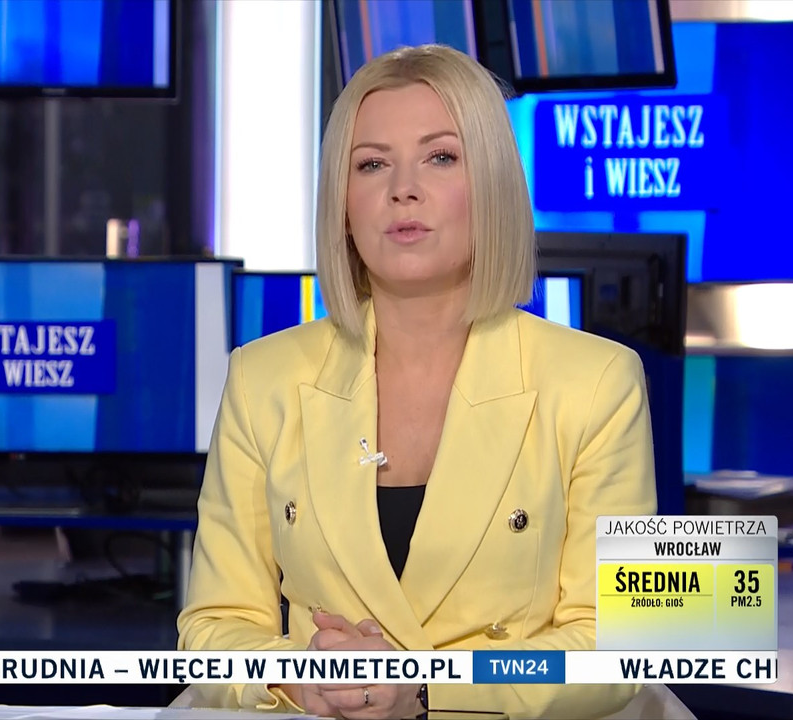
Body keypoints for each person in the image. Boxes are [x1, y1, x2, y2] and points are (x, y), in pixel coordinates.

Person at [175, 43, 657, 720]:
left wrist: (426, 689)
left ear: (492, 185)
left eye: (441, 157)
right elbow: (215, 625)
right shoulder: (264, 379)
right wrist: (299, 679)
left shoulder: (598, 382)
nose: (403, 188)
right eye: (372, 164)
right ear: (343, 205)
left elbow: (617, 644)